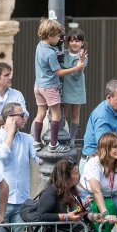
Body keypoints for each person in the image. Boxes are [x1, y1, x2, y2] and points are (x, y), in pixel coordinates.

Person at [0, 102, 42, 232]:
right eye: (21, 115)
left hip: (21, 200)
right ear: (9, 118)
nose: (25, 118)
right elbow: (3, 154)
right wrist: (10, 132)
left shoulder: (27, 138)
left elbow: (38, 159)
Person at [33, 19, 86, 153]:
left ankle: (36, 141)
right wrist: (77, 67)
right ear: (50, 36)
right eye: (57, 36)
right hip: (50, 86)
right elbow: (59, 72)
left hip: (38, 85)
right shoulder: (50, 53)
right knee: (57, 115)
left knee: (40, 113)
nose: (59, 38)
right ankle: (53, 144)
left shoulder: (40, 45)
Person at [36, 157, 93, 232]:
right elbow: (42, 216)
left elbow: (79, 212)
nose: (79, 174)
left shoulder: (72, 190)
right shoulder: (50, 192)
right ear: (66, 176)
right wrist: (66, 217)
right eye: (75, 173)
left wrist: (92, 216)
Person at [81, 79, 117, 173]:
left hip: (107, 162)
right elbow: (103, 144)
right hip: (94, 164)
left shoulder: (113, 108)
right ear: (109, 97)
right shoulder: (102, 116)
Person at [62, 27, 88, 147]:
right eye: (71, 40)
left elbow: (77, 74)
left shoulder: (84, 56)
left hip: (76, 87)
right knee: (63, 112)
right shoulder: (64, 53)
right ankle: (62, 135)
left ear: (82, 43)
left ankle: (72, 138)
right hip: (64, 85)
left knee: (75, 113)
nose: (74, 43)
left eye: (77, 41)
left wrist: (81, 62)